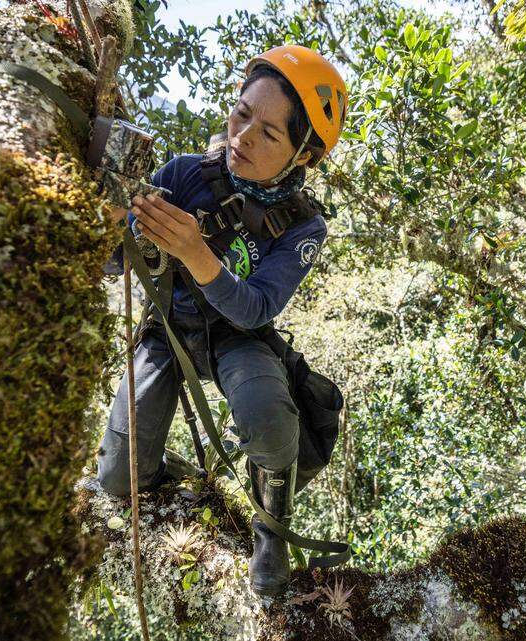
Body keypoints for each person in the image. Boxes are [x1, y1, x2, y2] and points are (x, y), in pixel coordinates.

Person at [95, 44, 348, 597]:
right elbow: (117, 261)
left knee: (268, 414)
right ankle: (171, 471)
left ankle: (270, 529)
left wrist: (197, 252)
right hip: (169, 325)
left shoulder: (302, 227)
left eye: (269, 134)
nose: (242, 137)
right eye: (241, 114)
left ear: (302, 156)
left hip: (239, 336)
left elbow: (257, 307)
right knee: (117, 480)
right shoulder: (186, 175)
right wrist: (113, 220)